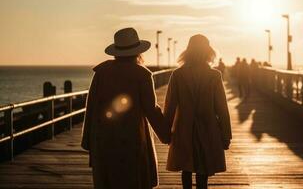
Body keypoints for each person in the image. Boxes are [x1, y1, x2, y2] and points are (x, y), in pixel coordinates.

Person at [81, 28, 170, 189]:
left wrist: (87, 139)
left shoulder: (102, 73)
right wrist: (167, 135)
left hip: (103, 138)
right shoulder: (142, 75)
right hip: (132, 139)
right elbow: (151, 109)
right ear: (138, 52)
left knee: (108, 181)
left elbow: (91, 106)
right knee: (133, 180)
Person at [164, 34, 232, 189]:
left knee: (186, 168)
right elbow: (222, 108)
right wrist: (226, 135)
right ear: (208, 51)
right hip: (208, 128)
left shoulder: (178, 75)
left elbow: (170, 107)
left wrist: (165, 133)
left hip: (183, 128)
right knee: (203, 168)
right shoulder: (214, 75)